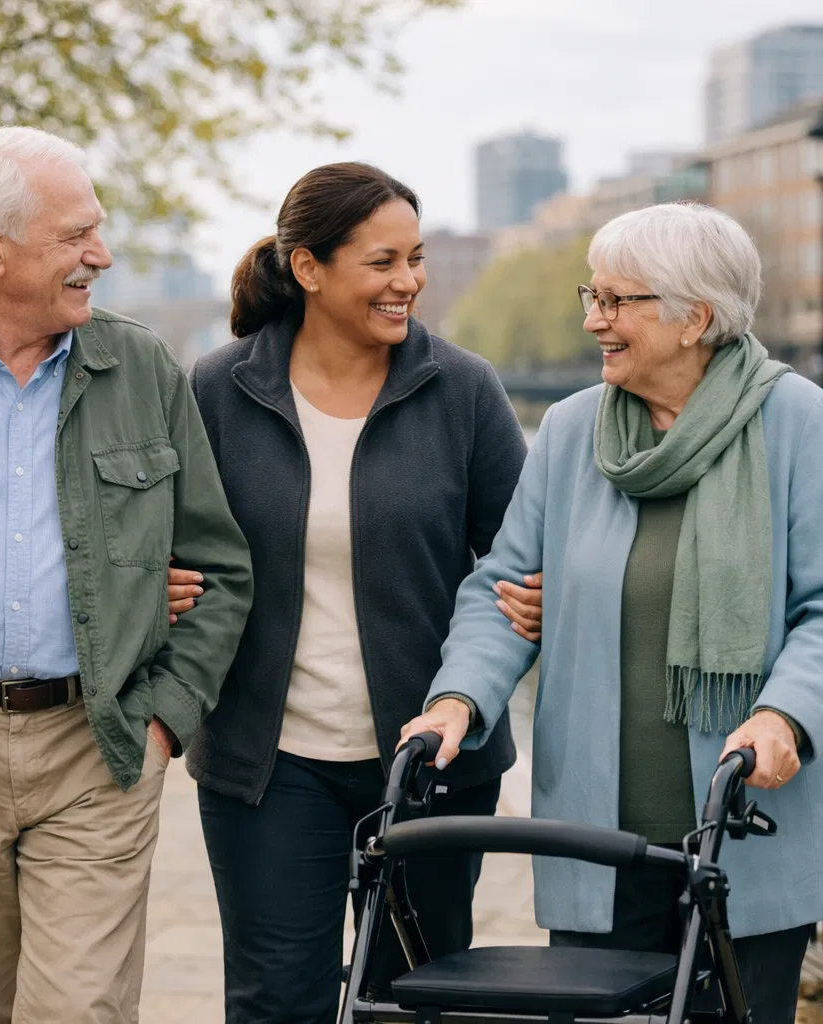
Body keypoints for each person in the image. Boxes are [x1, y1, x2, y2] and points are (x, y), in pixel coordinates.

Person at [402, 202, 823, 1023]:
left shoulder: (796, 420)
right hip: (597, 833)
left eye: (617, 301)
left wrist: (784, 717)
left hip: (750, 823)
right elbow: (500, 589)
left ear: (695, 316)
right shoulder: (572, 432)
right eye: (593, 296)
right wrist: (457, 699)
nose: (594, 320)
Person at [0, 125, 253, 1024]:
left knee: (79, 1011)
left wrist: (164, 722)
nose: (99, 256)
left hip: (98, 744)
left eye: (95, 232)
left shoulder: (139, 365)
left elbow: (221, 570)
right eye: (75, 236)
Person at [184, 161, 541, 1024]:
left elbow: (520, 556)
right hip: (269, 767)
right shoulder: (217, 389)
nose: (408, 282)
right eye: (383, 262)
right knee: (277, 999)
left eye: (415, 259)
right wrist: (159, 586)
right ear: (308, 268)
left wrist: (533, 600)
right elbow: (172, 541)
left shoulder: (463, 389)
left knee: (417, 998)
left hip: (431, 764)